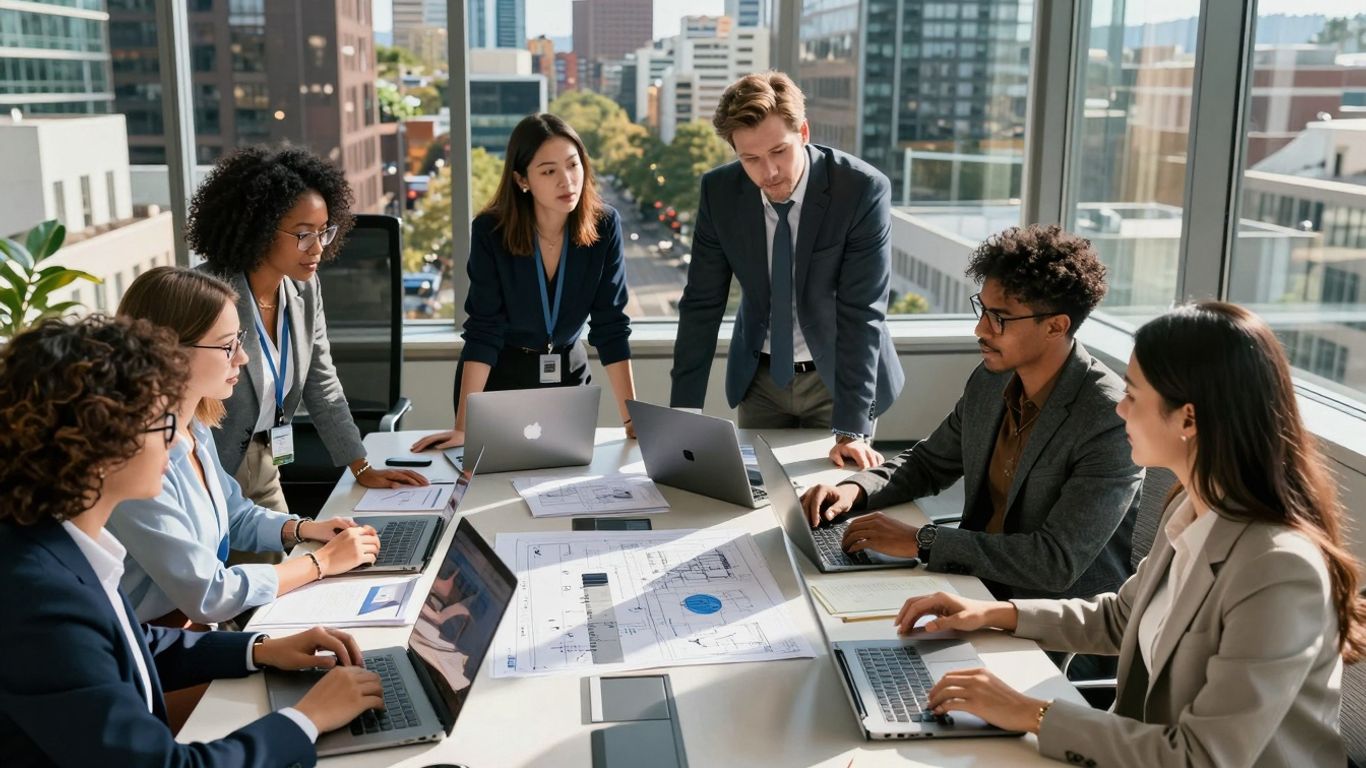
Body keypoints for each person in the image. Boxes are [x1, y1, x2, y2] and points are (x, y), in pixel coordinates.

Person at [893, 301, 1362, 767]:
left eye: (1134, 395)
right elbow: (1122, 616)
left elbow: (1203, 757)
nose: (1119, 407)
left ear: (1189, 419)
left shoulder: (1279, 567)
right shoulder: (1190, 508)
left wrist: (1030, 712)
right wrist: (991, 613)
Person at [0, 315, 385, 766]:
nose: (176, 442)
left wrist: (259, 650)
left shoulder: (59, 546)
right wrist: (307, 719)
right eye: (162, 425)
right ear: (99, 443)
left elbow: (131, 644)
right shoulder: (40, 597)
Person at [802, 225, 1141, 603]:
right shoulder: (992, 380)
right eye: (982, 309)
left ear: (1055, 326)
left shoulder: (1108, 417)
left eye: (1000, 318)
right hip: (969, 582)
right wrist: (854, 490)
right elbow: (930, 463)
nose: (979, 328)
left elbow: (1056, 562)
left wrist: (922, 540)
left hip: (1048, 619)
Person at [108, 267, 383, 626]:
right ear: (170, 351)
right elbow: (211, 595)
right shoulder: (133, 461)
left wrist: (302, 529)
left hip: (192, 629)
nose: (242, 357)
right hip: (151, 647)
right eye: (227, 346)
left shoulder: (194, 428)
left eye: (239, 339)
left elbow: (234, 513)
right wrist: (323, 562)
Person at [669, 71, 904, 469]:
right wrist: (683, 415)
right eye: (751, 159)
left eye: (779, 151)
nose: (769, 172)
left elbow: (862, 312)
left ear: (805, 132)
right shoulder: (719, 192)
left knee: (830, 505)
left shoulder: (861, 190)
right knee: (755, 500)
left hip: (838, 378)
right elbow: (702, 305)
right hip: (759, 380)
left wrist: (852, 430)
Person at [187, 145, 428, 515]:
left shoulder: (303, 288)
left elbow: (322, 384)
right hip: (202, 472)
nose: (318, 248)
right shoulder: (205, 294)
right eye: (303, 234)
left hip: (264, 463)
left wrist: (361, 467)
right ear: (261, 229)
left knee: (292, 558)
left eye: (324, 232)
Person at [411, 113, 637, 453]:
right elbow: (484, 329)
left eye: (573, 165)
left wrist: (631, 421)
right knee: (494, 492)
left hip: (568, 379)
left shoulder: (604, 226)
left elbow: (611, 325)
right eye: (548, 171)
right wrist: (462, 428)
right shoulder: (491, 231)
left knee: (569, 490)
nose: (567, 181)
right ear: (522, 180)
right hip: (501, 380)